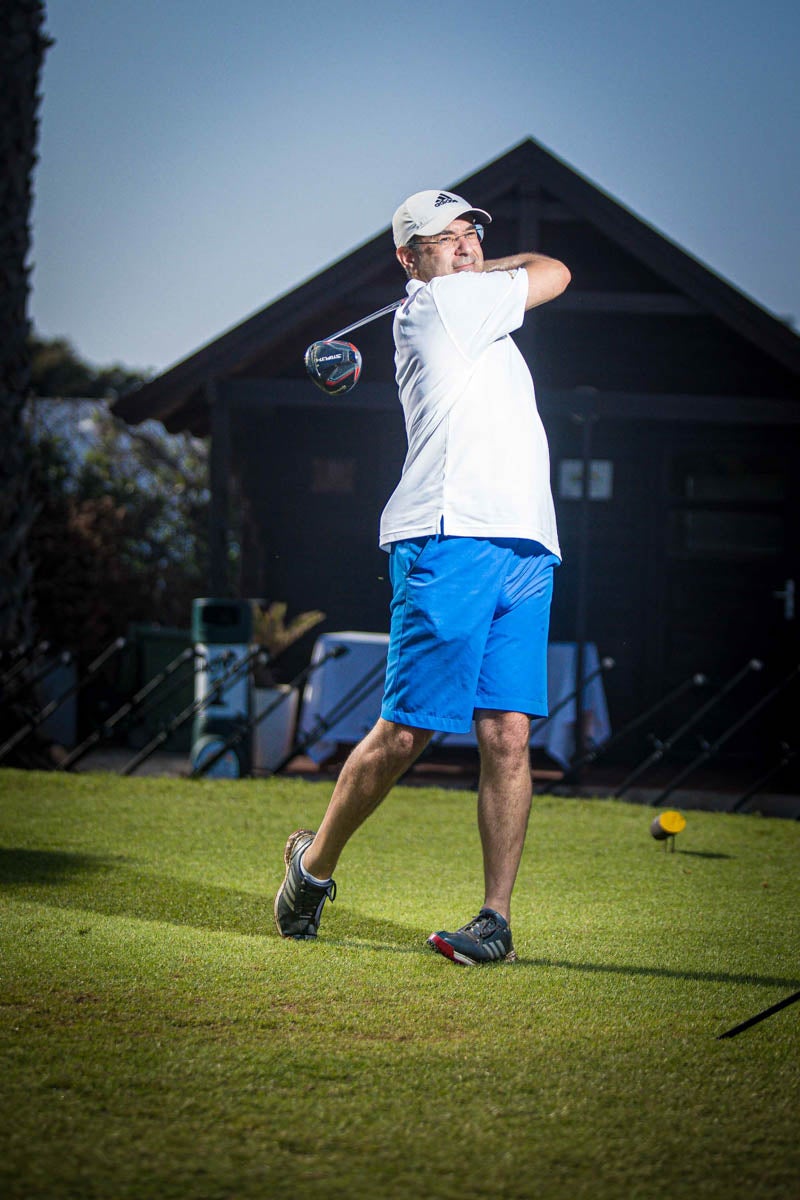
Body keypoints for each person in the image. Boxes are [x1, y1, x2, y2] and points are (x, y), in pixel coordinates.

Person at [275, 189, 570, 965]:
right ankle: (312, 869)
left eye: (472, 232)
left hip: (525, 544)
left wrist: (471, 266)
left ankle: (495, 920)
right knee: (407, 730)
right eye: (446, 238)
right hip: (450, 537)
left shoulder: (469, 306)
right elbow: (557, 270)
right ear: (410, 259)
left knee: (508, 735)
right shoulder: (445, 309)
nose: (468, 245)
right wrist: (478, 272)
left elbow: (528, 273)